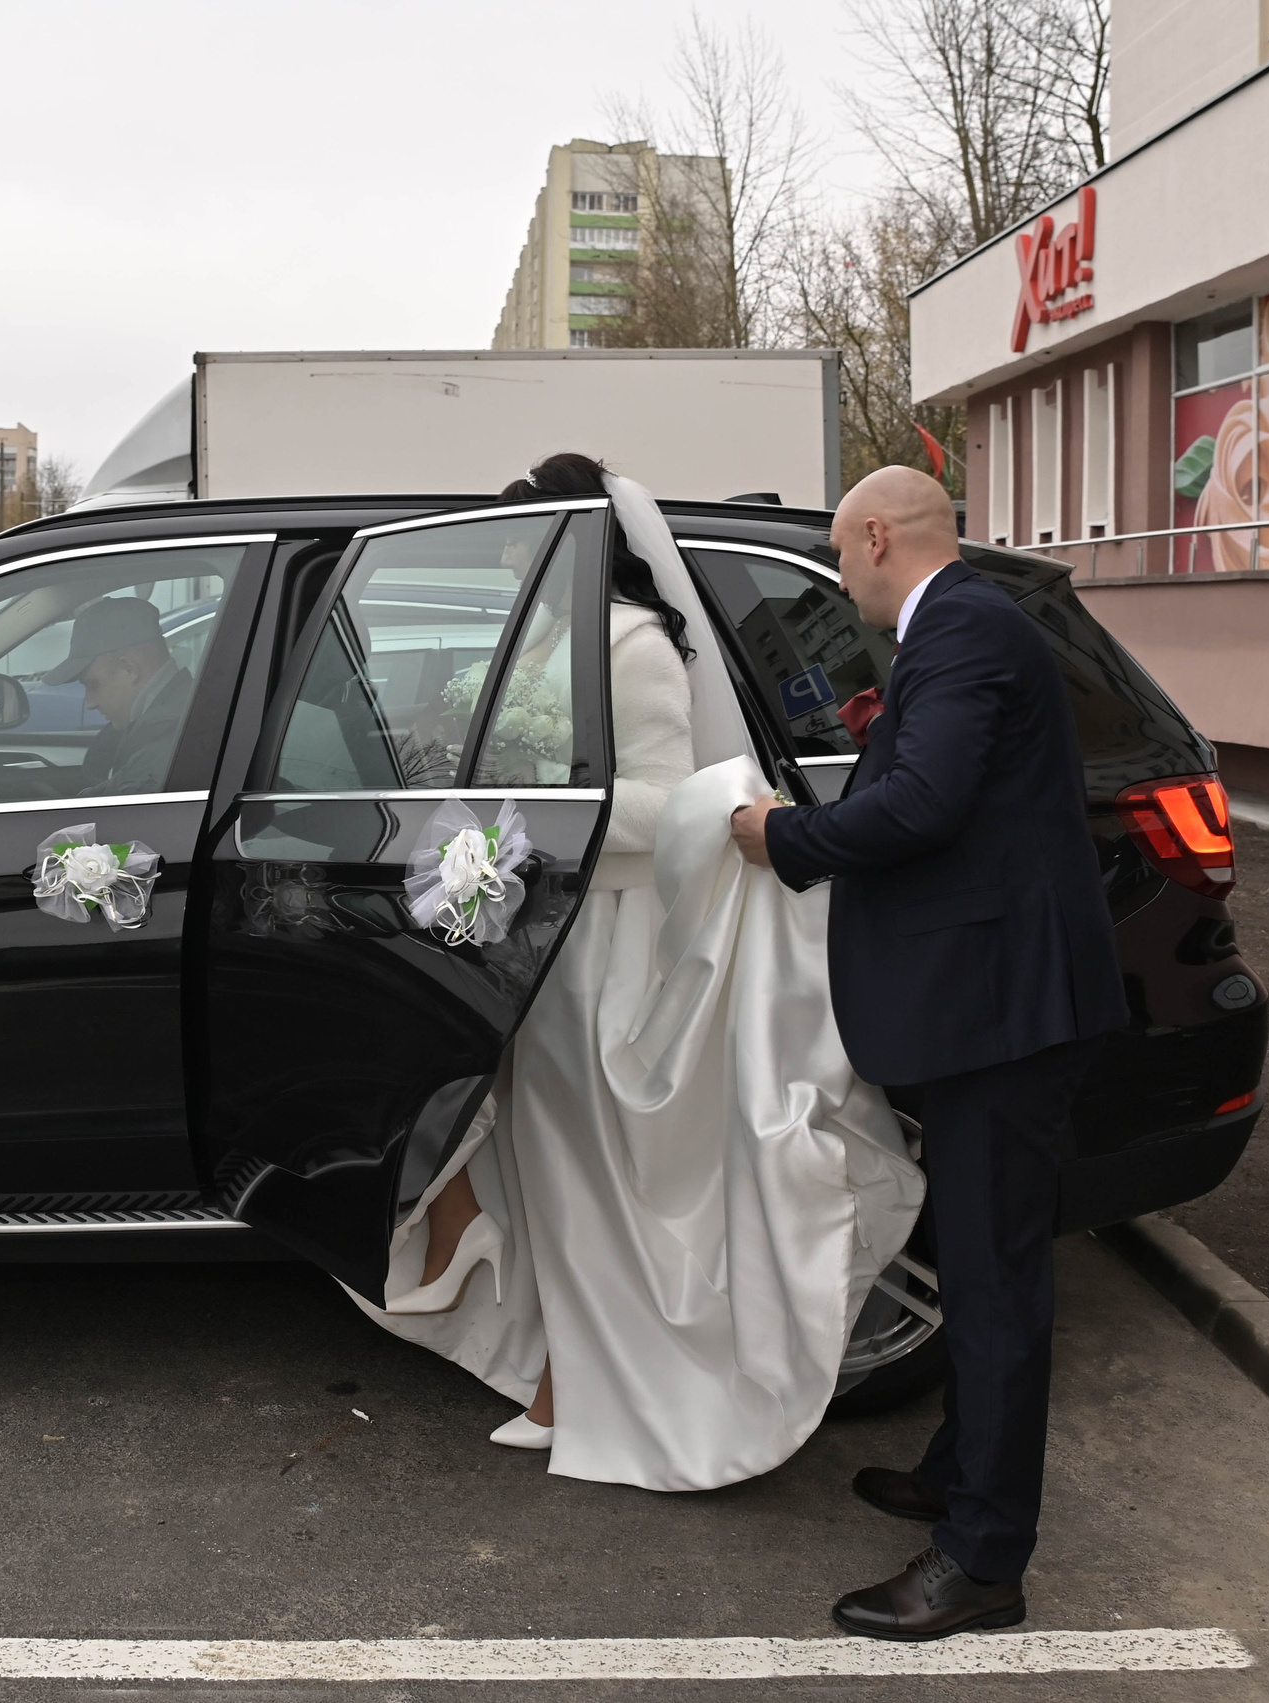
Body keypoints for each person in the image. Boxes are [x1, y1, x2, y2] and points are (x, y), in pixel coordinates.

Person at [354, 452, 925, 1492]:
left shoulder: (632, 646)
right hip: (549, 936)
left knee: (587, 1174)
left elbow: (673, 807)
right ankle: (557, 1362)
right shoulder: (546, 640)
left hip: (611, 935)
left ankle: (585, 1382)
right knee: (544, 1159)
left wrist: (524, 826)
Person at [730, 465, 1127, 1640]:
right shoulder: (961, 628)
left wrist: (778, 836)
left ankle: (982, 1561)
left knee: (999, 1285)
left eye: (841, 554)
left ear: (871, 534)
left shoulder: (960, 628)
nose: (840, 575)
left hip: (1003, 1015)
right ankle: (962, 1474)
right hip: (982, 1007)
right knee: (971, 1255)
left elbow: (917, 805)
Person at [44, 597, 194, 795]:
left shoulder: (166, 744)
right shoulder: (174, 717)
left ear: (128, 668)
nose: (90, 703)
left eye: (92, 684)